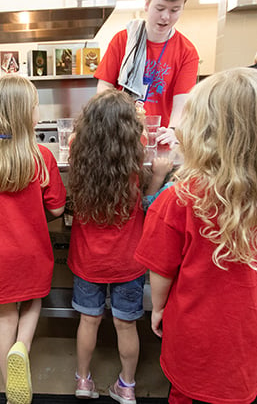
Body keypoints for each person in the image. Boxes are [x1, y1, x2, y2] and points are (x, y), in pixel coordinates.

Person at [134, 68, 257, 404]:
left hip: (192, 335)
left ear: (203, 132)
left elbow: (162, 271)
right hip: (250, 339)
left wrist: (157, 309)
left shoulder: (178, 199)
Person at [0, 74, 66, 404]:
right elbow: (58, 208)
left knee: (4, 316)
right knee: (34, 299)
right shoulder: (40, 157)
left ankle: (12, 388)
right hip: (29, 252)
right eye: (35, 107)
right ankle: (22, 347)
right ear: (26, 113)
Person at [66, 90, 172, 403]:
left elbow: (73, 139)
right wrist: (160, 176)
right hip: (129, 261)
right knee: (126, 326)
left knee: (89, 321)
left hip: (88, 259)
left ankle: (83, 380)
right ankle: (126, 386)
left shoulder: (77, 150)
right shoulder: (135, 154)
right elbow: (148, 205)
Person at [94, 0, 199, 147]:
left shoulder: (187, 52)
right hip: (121, 139)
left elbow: (182, 102)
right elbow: (105, 87)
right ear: (147, 4)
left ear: (183, 8)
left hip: (159, 141)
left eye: (174, 10)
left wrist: (173, 131)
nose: (165, 17)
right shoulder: (123, 40)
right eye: (160, 8)